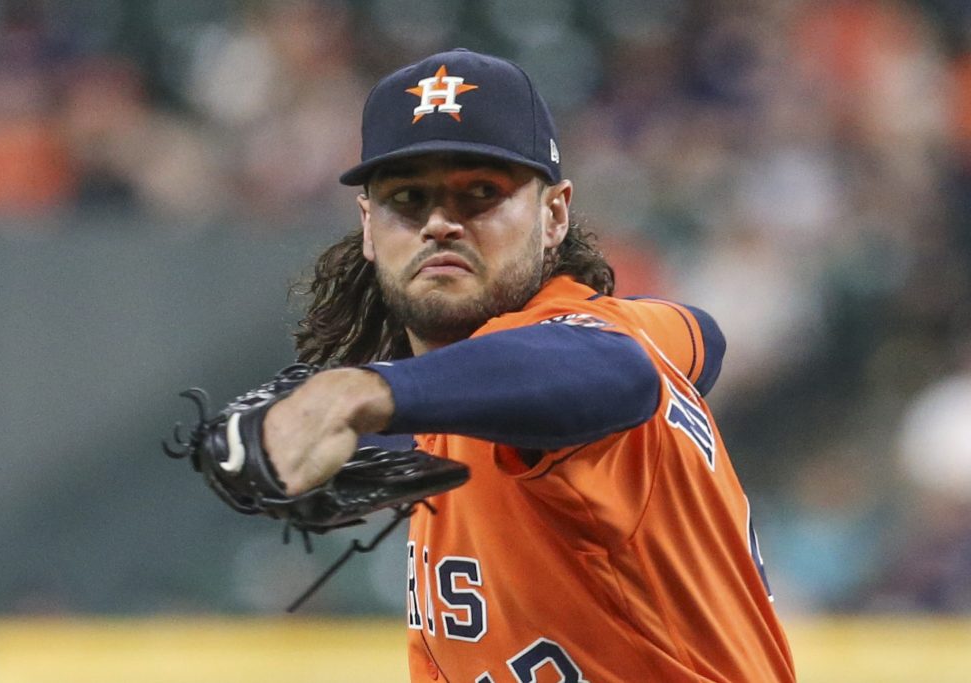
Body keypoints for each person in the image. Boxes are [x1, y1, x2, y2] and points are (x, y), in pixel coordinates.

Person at [262, 48, 796, 682]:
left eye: (481, 194)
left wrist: (365, 392)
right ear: (369, 228)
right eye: (408, 198)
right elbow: (701, 337)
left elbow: (610, 375)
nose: (439, 223)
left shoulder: (573, 368)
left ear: (554, 216)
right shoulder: (605, 339)